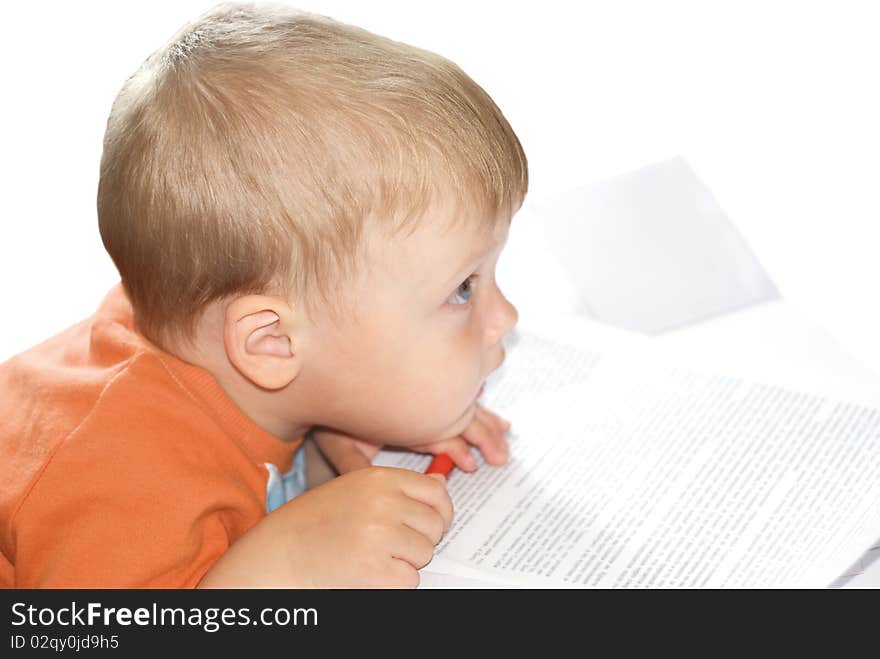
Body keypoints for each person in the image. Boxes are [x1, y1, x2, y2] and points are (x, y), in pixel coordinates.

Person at [0, 2, 527, 588]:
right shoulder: (121, 480)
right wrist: (280, 570)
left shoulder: (204, 332)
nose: (505, 317)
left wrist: (342, 423)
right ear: (272, 341)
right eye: (462, 289)